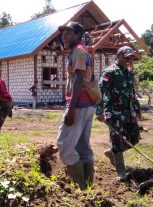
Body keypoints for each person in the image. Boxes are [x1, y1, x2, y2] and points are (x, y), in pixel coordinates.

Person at [56, 22, 95, 190]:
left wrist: (70, 109)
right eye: (63, 33)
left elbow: (79, 79)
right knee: (82, 146)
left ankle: (80, 187)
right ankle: (88, 188)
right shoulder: (79, 51)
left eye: (69, 33)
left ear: (79, 35)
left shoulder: (78, 51)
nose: (64, 36)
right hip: (87, 104)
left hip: (78, 105)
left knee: (64, 145)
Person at [96, 46, 141, 180]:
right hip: (114, 113)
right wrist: (99, 111)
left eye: (131, 58)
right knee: (117, 141)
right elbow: (99, 91)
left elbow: (132, 93)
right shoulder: (109, 72)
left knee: (134, 138)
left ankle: (112, 153)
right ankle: (121, 172)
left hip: (128, 112)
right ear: (118, 56)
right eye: (126, 57)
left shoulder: (129, 73)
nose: (129, 60)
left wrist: (137, 109)